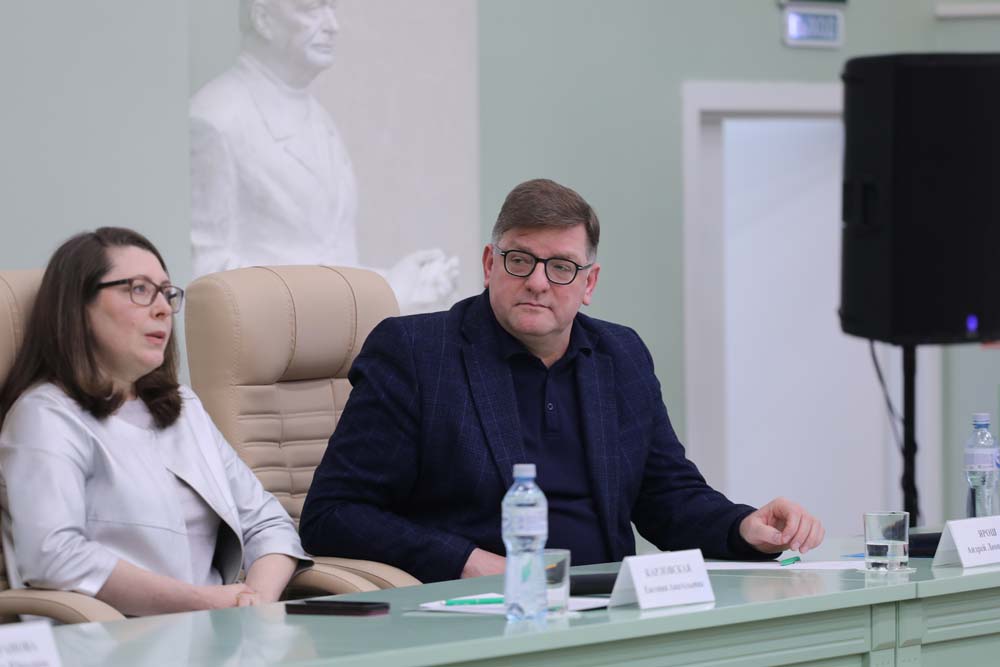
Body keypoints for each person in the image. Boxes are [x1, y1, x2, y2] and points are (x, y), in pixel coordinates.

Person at [300, 178, 825, 583]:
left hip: (608, 611)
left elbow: (667, 496)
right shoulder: (418, 354)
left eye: (561, 267)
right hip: (480, 610)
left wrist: (743, 527)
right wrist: (471, 562)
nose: (537, 281)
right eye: (520, 260)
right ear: (489, 264)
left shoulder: (621, 355)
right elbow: (334, 514)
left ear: (589, 283)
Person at [0, 227, 311, 616]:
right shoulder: (45, 415)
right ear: (78, 306)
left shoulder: (183, 407)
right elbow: (54, 556)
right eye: (139, 290)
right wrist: (209, 602)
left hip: (222, 628)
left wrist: (255, 602)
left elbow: (268, 524)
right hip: (112, 638)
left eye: (166, 293)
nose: (163, 308)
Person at [190, 0, 458, 313]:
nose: (333, 25)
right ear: (262, 18)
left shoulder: (320, 119)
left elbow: (325, 260)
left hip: (329, 341)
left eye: (333, 8)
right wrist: (380, 295)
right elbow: (211, 280)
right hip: (274, 343)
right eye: (311, 8)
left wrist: (397, 283)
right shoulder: (216, 119)